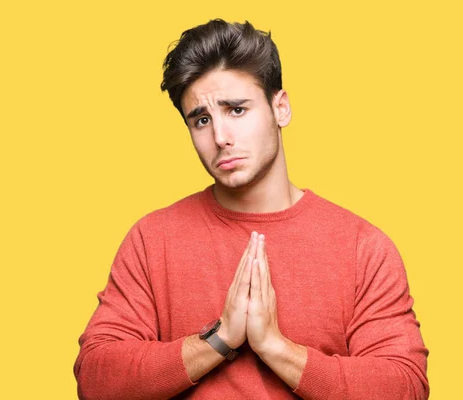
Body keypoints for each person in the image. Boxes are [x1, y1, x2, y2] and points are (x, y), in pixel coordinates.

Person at [73, 19, 429, 399]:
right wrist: (220, 339)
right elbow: (97, 379)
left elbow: (404, 388)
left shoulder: (362, 247)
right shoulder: (152, 239)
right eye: (202, 120)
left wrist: (275, 348)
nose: (221, 138)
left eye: (237, 110)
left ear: (281, 108)